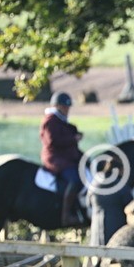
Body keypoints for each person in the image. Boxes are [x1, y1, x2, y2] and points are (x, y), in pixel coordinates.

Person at [40, 91, 84, 226]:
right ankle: (66, 216)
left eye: (68, 107)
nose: (67, 110)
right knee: (75, 179)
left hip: (66, 157)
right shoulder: (50, 121)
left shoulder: (60, 120)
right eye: (65, 107)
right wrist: (73, 139)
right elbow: (53, 142)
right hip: (55, 158)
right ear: (57, 106)